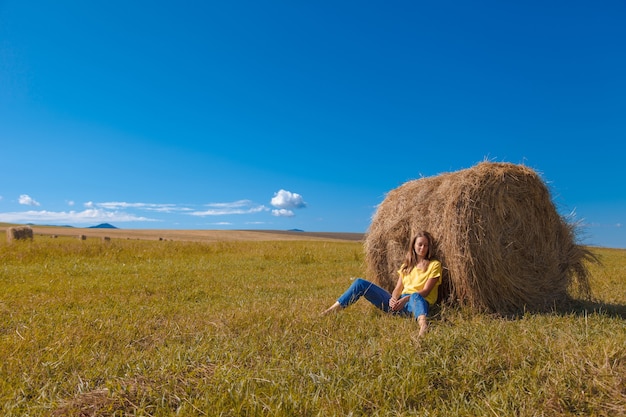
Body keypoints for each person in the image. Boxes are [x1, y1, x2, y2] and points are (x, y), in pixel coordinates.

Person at [321, 230, 442, 337]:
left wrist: (405, 300)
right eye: (420, 244)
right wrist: (394, 299)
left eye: (426, 245)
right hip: (400, 303)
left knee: (416, 295)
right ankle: (331, 311)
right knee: (360, 283)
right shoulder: (407, 266)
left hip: (416, 303)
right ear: (414, 246)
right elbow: (397, 289)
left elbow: (425, 291)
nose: (423, 248)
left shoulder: (434, 265)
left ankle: (423, 326)